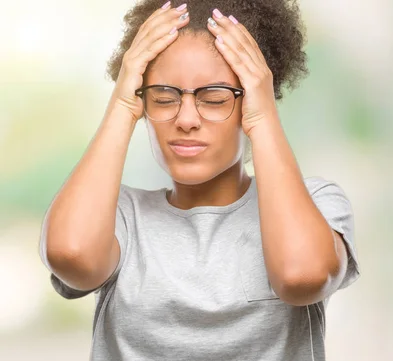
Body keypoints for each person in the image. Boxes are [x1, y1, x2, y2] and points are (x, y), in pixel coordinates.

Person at [38, 0, 360, 360]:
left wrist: (265, 120)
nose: (186, 118)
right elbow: (71, 255)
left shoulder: (315, 202)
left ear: (253, 102)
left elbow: (303, 275)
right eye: (162, 97)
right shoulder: (120, 219)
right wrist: (121, 105)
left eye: (214, 98)